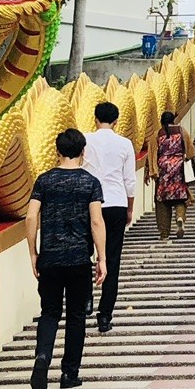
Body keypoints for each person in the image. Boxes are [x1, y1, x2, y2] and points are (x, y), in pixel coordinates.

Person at [22, 128, 106, 389]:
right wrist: (102, 258)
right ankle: (70, 372)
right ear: (83, 151)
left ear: (57, 150)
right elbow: (96, 221)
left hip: (50, 259)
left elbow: (31, 217)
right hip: (79, 259)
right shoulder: (90, 182)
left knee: (49, 312)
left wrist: (33, 252)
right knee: (77, 315)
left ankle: (42, 358)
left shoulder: (44, 181)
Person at [84, 100, 137, 334]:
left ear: (95, 118)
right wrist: (129, 209)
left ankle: (86, 297)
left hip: (89, 203)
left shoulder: (85, 140)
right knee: (112, 260)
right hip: (116, 203)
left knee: (84, 252)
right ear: (116, 121)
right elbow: (130, 181)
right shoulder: (125, 144)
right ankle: (105, 316)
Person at [153, 110, 195, 239]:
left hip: (163, 169)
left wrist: (152, 170)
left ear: (161, 121)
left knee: (162, 201)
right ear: (173, 120)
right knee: (180, 197)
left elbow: (152, 153)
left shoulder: (157, 134)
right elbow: (191, 151)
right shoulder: (181, 131)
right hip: (178, 168)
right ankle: (180, 217)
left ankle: (164, 233)